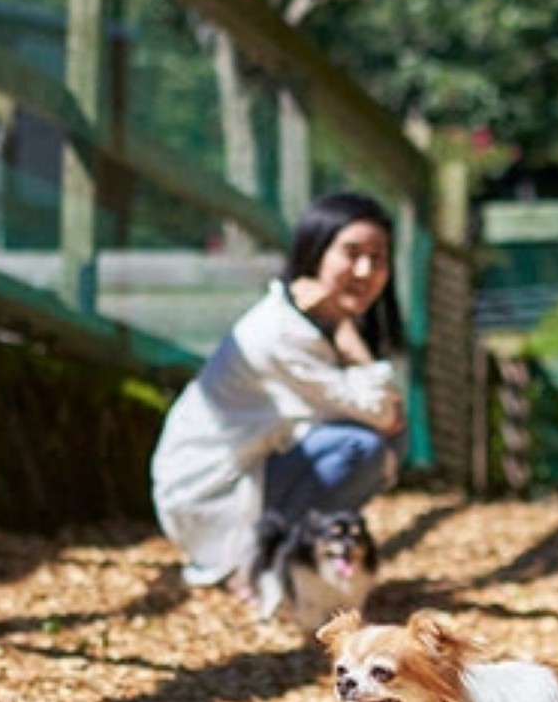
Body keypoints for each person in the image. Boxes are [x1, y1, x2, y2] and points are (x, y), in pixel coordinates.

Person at [150, 190, 407, 590]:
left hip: (252, 469)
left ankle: (286, 560)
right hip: (208, 497)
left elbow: (390, 415)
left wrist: (344, 329)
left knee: (378, 441)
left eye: (378, 258)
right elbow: (386, 415)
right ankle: (262, 566)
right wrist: (348, 337)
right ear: (315, 251)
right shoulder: (281, 332)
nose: (365, 270)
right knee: (360, 448)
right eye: (352, 253)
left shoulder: (320, 321)